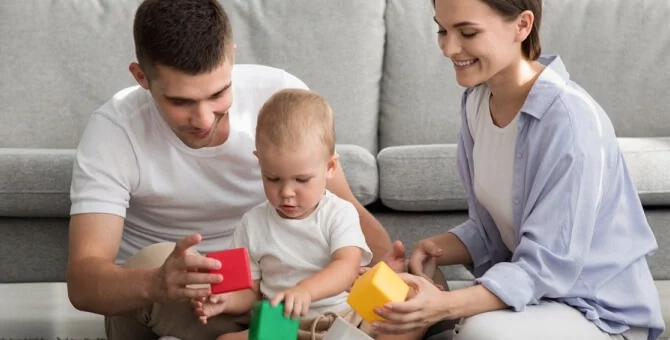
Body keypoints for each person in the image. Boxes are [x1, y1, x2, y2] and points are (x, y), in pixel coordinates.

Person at [65, 0, 398, 339]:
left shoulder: (280, 100)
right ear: (141, 77)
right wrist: (157, 282)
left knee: (412, 290)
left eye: (218, 94)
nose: (204, 119)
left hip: (285, 296)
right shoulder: (114, 131)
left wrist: (396, 272)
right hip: (185, 298)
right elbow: (82, 283)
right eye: (180, 102)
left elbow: (342, 208)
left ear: (232, 59)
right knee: (151, 259)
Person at [368, 0, 666, 340]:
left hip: (596, 310)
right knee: (411, 305)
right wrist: (431, 247)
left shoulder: (569, 122)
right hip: (540, 299)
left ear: (522, 25)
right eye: (442, 30)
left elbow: (547, 265)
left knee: (480, 332)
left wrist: (447, 304)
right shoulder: (477, 100)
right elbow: (497, 229)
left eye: (468, 32)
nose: (449, 48)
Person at [191, 89, 429, 340]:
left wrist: (306, 291)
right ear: (259, 162)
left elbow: (347, 266)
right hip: (283, 328)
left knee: (411, 308)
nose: (286, 193)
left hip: (346, 319)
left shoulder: (339, 213)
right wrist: (224, 300)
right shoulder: (252, 223)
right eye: (272, 178)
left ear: (330, 167)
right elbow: (250, 291)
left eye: (301, 179)